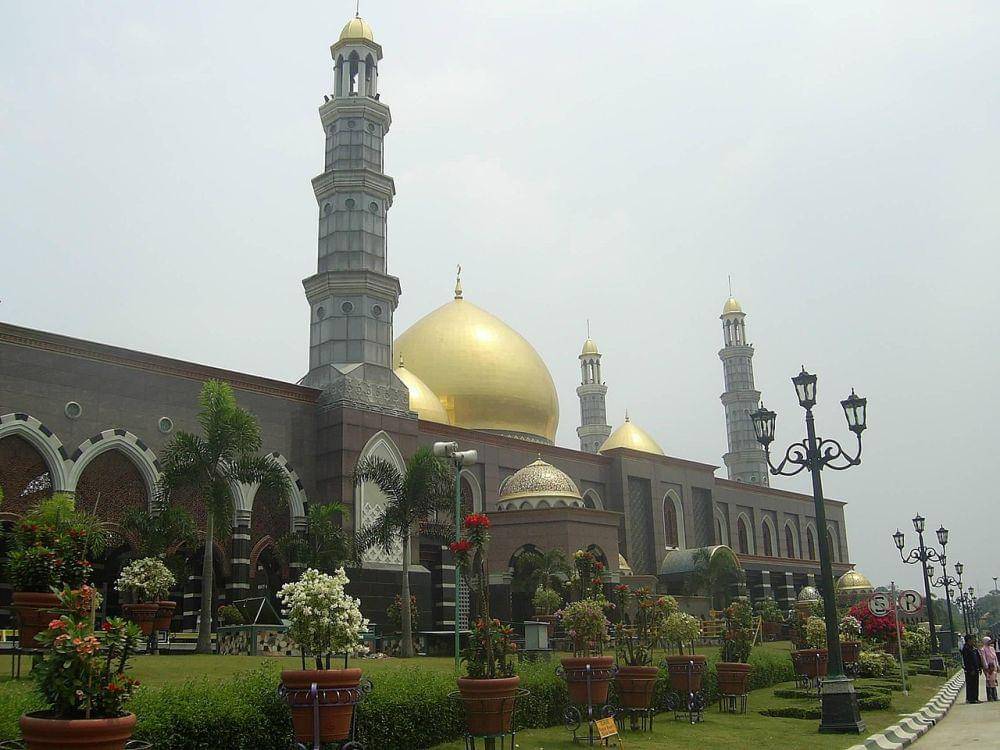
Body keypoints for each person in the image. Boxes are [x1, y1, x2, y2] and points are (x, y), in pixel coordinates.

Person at [962, 634, 983, 704]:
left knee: (975, 684)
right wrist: (971, 669)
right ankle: (971, 699)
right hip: (970, 670)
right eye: (972, 639)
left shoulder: (973, 648)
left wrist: (980, 667)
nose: (974, 640)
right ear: (968, 640)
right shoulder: (966, 648)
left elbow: (977, 658)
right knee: (971, 684)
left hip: (976, 668)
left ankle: (975, 698)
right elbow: (967, 661)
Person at [981, 636, 998, 702]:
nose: (989, 642)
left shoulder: (992, 648)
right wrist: (986, 667)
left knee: (994, 680)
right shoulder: (983, 649)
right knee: (989, 681)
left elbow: (995, 657)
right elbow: (984, 658)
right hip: (988, 667)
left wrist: (997, 665)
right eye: (988, 641)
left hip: (994, 667)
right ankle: (990, 696)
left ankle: (995, 696)